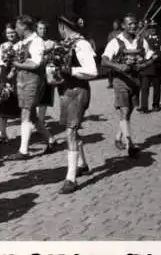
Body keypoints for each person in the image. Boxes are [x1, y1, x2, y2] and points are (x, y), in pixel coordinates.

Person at [102, 13, 156, 158]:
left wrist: (142, 65)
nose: (133, 26)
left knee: (129, 112)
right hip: (120, 80)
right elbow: (104, 61)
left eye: (135, 23)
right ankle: (130, 145)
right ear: (123, 26)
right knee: (124, 111)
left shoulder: (141, 41)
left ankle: (118, 138)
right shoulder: (115, 42)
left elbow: (151, 57)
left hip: (135, 80)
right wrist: (120, 67)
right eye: (130, 24)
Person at [55, 15, 98, 193]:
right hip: (66, 91)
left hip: (79, 92)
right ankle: (83, 164)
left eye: (59, 26)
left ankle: (71, 178)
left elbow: (93, 71)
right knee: (72, 129)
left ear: (63, 26)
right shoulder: (65, 44)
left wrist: (70, 70)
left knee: (70, 132)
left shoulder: (82, 44)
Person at [6, 15, 57, 161]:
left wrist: (17, 64)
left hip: (33, 82)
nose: (15, 30)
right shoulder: (23, 43)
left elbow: (36, 64)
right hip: (23, 82)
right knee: (32, 116)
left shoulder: (36, 42)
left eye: (17, 26)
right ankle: (51, 141)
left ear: (23, 26)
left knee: (26, 113)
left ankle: (23, 151)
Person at [0, 23, 21, 142]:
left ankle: (26, 133)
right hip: (7, 80)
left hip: (20, 78)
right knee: (3, 108)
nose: (11, 35)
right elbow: (0, 65)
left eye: (13, 32)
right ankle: (3, 134)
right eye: (8, 33)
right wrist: (1, 81)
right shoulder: (3, 46)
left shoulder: (22, 45)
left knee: (24, 108)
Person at [138, 20, 161, 113]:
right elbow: (140, 51)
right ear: (148, 29)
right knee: (144, 88)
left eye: (154, 27)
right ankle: (144, 107)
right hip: (146, 67)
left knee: (157, 87)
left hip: (157, 66)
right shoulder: (143, 39)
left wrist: (156, 56)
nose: (152, 29)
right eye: (151, 27)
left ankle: (156, 105)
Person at [35, 20, 56, 136]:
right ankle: (36, 121)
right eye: (40, 28)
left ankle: (41, 121)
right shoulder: (33, 42)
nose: (43, 31)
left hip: (47, 74)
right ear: (36, 30)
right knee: (35, 98)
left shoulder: (51, 43)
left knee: (45, 99)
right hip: (36, 74)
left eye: (44, 29)